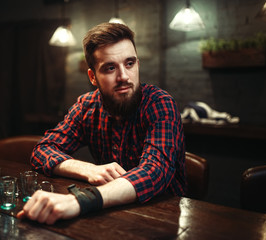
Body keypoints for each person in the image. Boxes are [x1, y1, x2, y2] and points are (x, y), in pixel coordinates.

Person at [17, 22, 186, 225]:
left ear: (138, 65)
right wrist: (87, 169)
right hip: (110, 217)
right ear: (93, 77)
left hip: (162, 217)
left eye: (129, 63)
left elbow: (154, 171)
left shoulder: (159, 103)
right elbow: (43, 150)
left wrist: (81, 200)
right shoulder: (86, 106)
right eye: (110, 68)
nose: (123, 76)